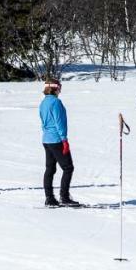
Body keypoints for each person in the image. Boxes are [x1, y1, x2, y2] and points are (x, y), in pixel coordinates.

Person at [39, 76, 80, 207]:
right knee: (68, 167)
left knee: (50, 168)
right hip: (56, 139)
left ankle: (49, 198)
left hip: (46, 139)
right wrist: (64, 140)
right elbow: (59, 122)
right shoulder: (56, 103)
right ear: (54, 89)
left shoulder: (43, 102)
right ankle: (64, 196)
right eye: (59, 88)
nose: (60, 91)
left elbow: (43, 122)